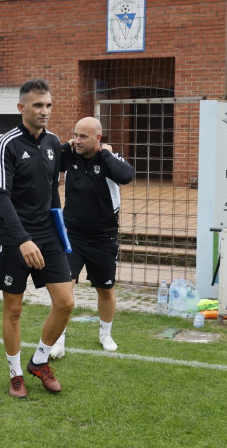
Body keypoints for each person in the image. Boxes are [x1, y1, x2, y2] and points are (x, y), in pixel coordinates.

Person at [0, 79, 74, 398]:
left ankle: (39, 361)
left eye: (48, 105)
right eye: (38, 105)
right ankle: (15, 374)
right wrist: (23, 239)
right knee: (13, 309)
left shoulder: (53, 143)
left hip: (48, 236)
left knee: (66, 303)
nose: (45, 111)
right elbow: (1, 196)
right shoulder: (7, 144)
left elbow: (53, 190)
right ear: (21, 107)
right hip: (14, 237)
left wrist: (60, 229)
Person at [50, 117, 134, 358]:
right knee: (64, 289)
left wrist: (105, 153)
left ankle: (105, 334)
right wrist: (68, 144)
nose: (77, 140)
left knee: (105, 289)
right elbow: (49, 155)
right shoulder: (70, 154)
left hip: (103, 237)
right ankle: (59, 340)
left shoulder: (108, 159)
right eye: (75, 134)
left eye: (83, 136)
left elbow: (127, 175)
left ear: (98, 138)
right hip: (72, 235)